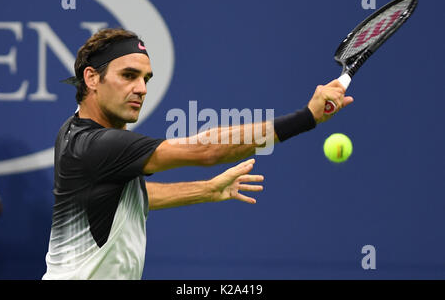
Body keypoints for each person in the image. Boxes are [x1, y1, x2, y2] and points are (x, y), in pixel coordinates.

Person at [43, 28, 353, 280]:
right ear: (92, 78)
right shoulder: (98, 145)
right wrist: (306, 118)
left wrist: (206, 190)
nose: (141, 89)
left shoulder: (72, 131)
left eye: (145, 79)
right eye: (128, 76)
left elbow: (129, 196)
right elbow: (207, 150)